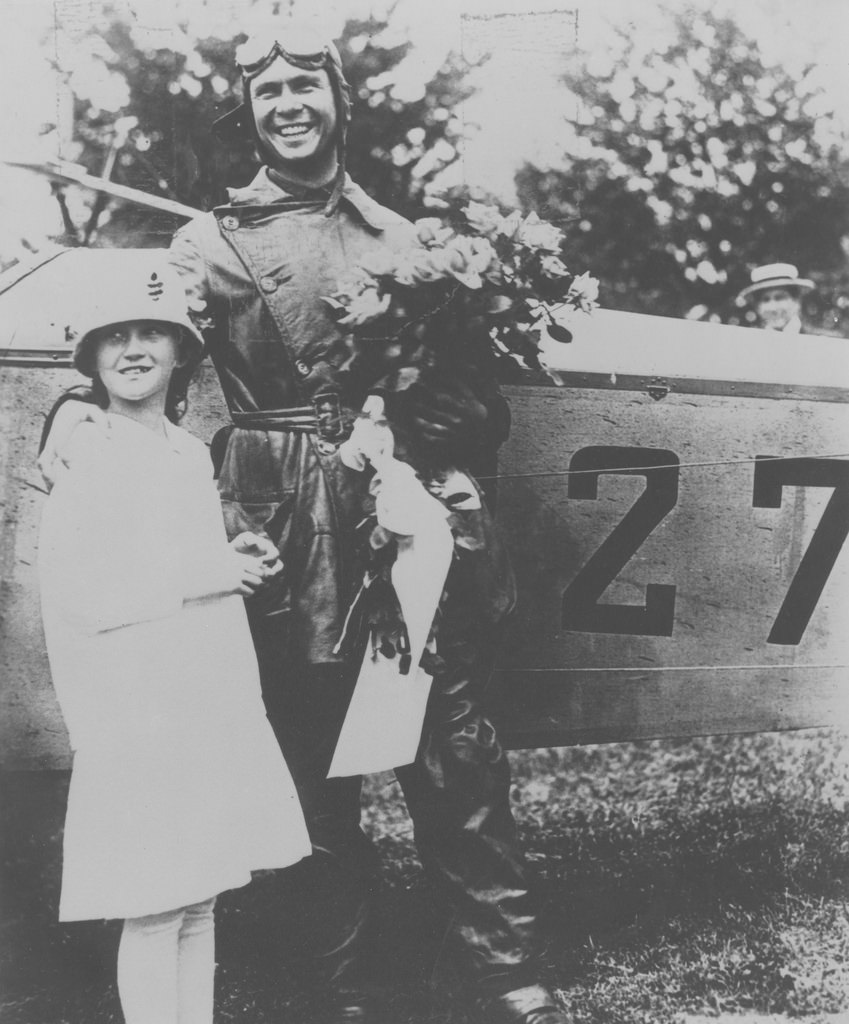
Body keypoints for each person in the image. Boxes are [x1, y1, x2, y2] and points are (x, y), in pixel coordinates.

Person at [39, 23, 569, 1024]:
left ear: (341, 103)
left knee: (450, 742)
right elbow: (146, 345)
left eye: (305, 86)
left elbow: (480, 410)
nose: (287, 103)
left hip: (397, 512)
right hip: (278, 517)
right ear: (248, 112)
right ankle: (341, 986)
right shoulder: (208, 239)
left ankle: (506, 967)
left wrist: (400, 419)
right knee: (307, 747)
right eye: (268, 89)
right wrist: (75, 407)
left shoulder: (409, 240)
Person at [37, 253, 312, 1024]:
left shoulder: (188, 453)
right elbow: (86, 591)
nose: (133, 350)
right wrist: (210, 573)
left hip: (205, 702)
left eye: (152, 334)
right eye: (114, 336)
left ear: (181, 351)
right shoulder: (87, 447)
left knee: (201, 893)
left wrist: (240, 560)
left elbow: (193, 562)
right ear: (89, 357)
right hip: (137, 712)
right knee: (155, 905)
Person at [736, 262, 815, 333]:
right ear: (758, 307)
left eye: (779, 298)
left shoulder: (820, 340)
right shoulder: (751, 343)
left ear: (796, 301)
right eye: (766, 300)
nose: (772, 308)